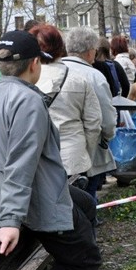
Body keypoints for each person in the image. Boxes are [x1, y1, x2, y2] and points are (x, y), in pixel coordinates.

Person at [0, 30, 102, 270]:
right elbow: (21, 164)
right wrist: (11, 220)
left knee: (86, 203)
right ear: (34, 64)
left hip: (21, 197)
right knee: (86, 260)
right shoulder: (28, 100)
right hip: (33, 204)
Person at [31, 23, 102, 180]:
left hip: (38, 161)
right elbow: (93, 123)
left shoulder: (26, 81)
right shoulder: (79, 80)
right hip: (73, 158)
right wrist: (85, 152)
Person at [64, 27, 117, 202]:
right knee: (86, 199)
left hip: (54, 151)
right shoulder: (94, 76)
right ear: (88, 51)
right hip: (87, 149)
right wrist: (108, 136)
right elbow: (106, 119)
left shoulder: (49, 72)